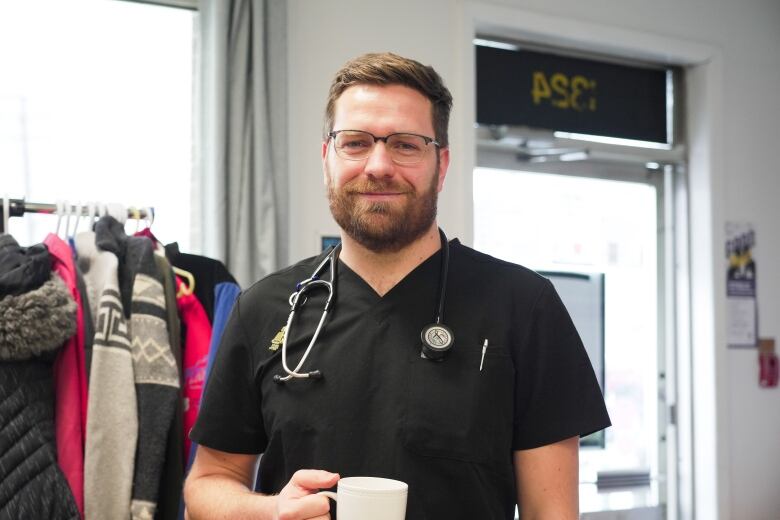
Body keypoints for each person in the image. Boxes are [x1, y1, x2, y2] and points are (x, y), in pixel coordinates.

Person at [183, 52, 610, 520]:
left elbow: (552, 511)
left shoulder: (524, 307)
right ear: (327, 157)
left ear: (441, 164)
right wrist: (270, 512)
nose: (379, 165)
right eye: (355, 143)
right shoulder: (264, 308)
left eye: (405, 144)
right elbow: (208, 482)